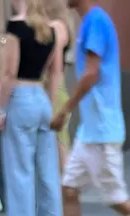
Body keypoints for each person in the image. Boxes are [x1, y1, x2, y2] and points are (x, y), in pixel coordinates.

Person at [48, 0, 130, 216]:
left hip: (102, 131)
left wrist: (64, 111)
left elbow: (91, 73)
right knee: (69, 188)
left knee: (117, 199)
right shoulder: (89, 22)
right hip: (90, 132)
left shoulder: (96, 21)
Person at [0, 0, 68, 216]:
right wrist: (48, 101)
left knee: (20, 172)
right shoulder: (53, 30)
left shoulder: (16, 27)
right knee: (48, 172)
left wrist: (0, 109)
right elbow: (56, 72)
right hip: (40, 98)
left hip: (21, 98)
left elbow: (9, 73)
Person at [44, 0, 74, 171]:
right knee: (60, 144)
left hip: (54, 90)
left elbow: (52, 66)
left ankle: (66, 192)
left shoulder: (56, 26)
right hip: (57, 89)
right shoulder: (63, 25)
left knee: (59, 146)